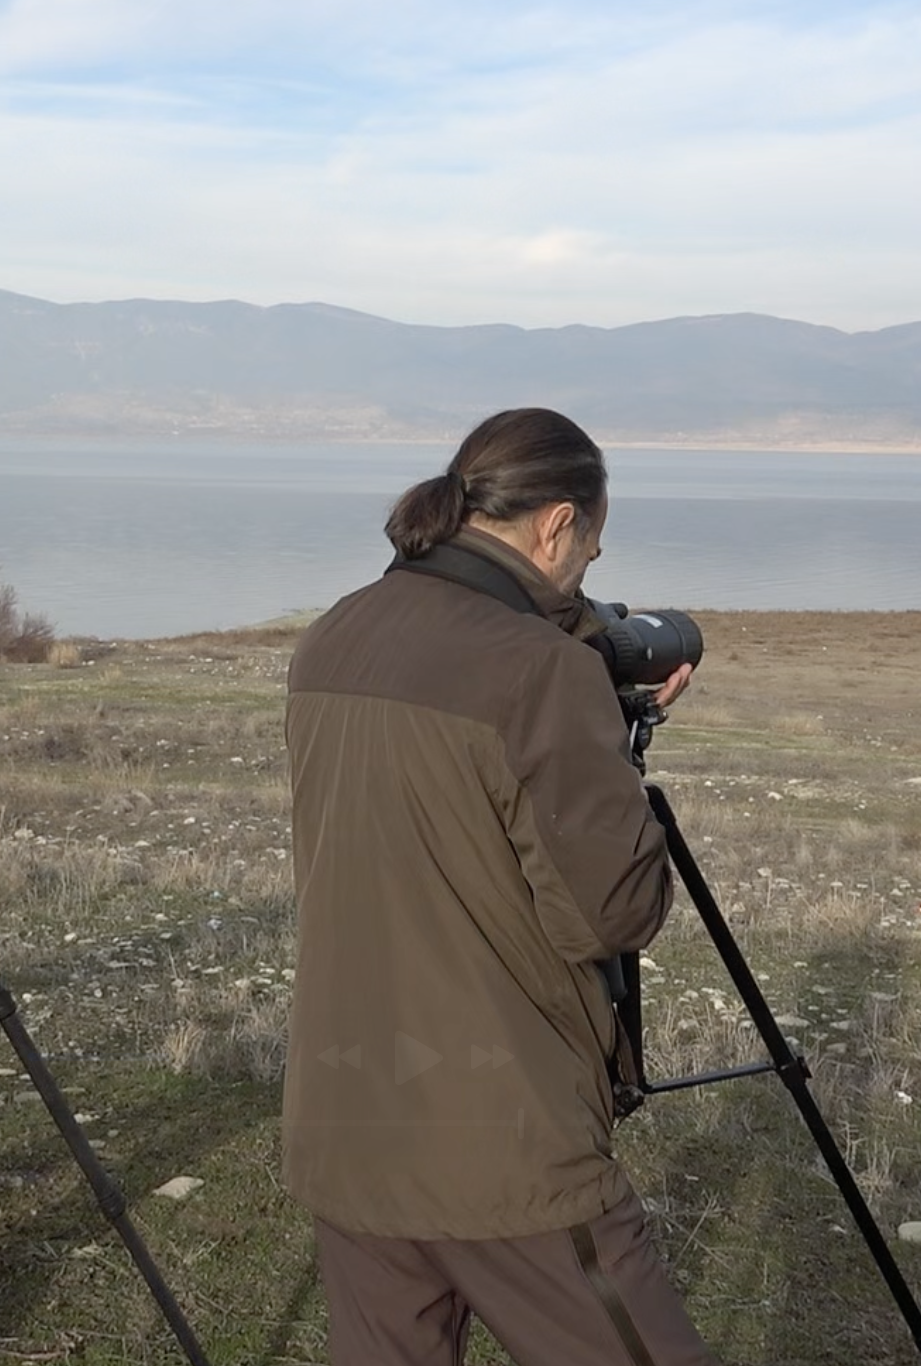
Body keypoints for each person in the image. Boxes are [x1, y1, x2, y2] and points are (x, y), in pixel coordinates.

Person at [282, 408, 712, 1365]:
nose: (586, 578)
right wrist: (612, 750)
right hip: (499, 1138)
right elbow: (615, 911)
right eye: (590, 555)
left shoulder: (333, 636)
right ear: (557, 524)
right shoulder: (538, 674)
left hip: (349, 1117)